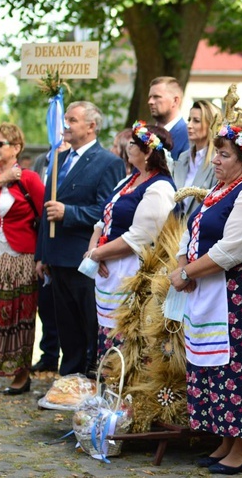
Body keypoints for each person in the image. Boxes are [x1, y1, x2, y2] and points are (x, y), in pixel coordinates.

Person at [169, 124, 242, 475]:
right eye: (216, 153)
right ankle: (226, 439)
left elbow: (231, 250)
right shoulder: (219, 189)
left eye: (224, 155)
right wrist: (184, 263)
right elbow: (192, 231)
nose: (215, 160)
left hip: (239, 293)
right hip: (211, 288)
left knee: (237, 366)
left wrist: (186, 274)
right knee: (212, 366)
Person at [35, 101, 126, 376]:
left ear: (91, 126)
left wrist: (69, 212)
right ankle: (69, 375)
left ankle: (90, 373)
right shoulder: (59, 159)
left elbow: (106, 209)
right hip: (57, 255)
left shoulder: (107, 163)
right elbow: (45, 209)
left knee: (88, 322)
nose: (65, 126)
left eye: (72, 120)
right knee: (66, 324)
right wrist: (42, 254)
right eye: (65, 120)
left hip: (84, 257)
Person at [86, 121, 176, 359]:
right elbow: (102, 219)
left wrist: (99, 254)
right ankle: (108, 386)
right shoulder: (128, 181)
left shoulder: (159, 188)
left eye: (135, 143)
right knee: (107, 333)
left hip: (131, 272)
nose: (129, 145)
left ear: (148, 153)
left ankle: (125, 390)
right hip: (109, 269)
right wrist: (94, 249)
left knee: (128, 335)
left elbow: (139, 237)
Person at [0, 123, 44, 393]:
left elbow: (44, 217)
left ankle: (21, 376)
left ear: (17, 148)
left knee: (19, 315)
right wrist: (4, 177)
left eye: (0, 144)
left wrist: (43, 257)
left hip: (21, 257)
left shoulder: (30, 179)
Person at [31, 141, 71, 374]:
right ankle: (48, 353)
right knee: (46, 305)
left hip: (68, 242)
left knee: (66, 308)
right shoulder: (42, 161)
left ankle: (69, 359)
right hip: (45, 238)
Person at [172, 100, 222, 217]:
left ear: (211, 125)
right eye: (189, 120)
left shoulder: (217, 161)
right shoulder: (183, 157)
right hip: (175, 229)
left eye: (196, 121)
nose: (189, 125)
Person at [148, 76, 189, 160]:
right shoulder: (146, 134)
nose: (150, 102)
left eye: (157, 97)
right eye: (150, 97)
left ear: (175, 101)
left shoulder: (188, 137)